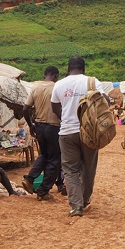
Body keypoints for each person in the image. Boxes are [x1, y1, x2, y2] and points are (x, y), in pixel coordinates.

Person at [51, 56, 108, 217]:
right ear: (84, 68)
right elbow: (105, 101)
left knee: (70, 170)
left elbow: (54, 107)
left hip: (67, 133)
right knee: (88, 169)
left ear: (68, 69)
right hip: (89, 133)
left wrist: (67, 118)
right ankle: (85, 198)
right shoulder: (92, 82)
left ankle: (76, 206)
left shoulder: (59, 85)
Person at [21, 65, 65, 200]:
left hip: (39, 126)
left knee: (44, 155)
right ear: (56, 76)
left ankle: (29, 178)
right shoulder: (57, 88)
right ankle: (43, 191)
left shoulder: (35, 87)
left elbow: (25, 109)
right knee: (55, 160)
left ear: (44, 75)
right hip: (53, 127)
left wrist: (31, 125)